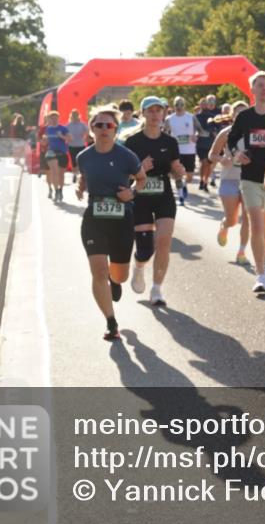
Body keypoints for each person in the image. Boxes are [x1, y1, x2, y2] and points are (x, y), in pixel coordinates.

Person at [75, 106, 144, 341]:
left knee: (120, 275)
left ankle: (116, 282)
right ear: (92, 129)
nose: (104, 129)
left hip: (121, 219)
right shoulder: (83, 156)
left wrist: (132, 193)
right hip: (94, 219)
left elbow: (142, 179)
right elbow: (84, 175)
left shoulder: (126, 156)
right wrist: (80, 186)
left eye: (109, 125)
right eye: (99, 125)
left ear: (115, 129)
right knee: (98, 271)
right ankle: (111, 321)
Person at [125, 96, 186, 306]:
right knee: (145, 249)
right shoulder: (133, 142)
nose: (154, 115)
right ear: (143, 113)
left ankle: (157, 289)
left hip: (163, 195)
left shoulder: (170, 142)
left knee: (164, 241)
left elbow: (175, 170)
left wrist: (179, 173)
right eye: (150, 111)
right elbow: (125, 175)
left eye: (158, 111)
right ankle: (139, 266)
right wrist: (140, 169)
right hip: (140, 195)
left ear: (163, 114)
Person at [228, 72, 265, 294]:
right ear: (252, 89)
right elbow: (231, 139)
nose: (264, 89)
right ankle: (260, 273)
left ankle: (263, 265)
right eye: (260, 85)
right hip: (249, 177)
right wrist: (237, 153)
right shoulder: (245, 117)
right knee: (257, 225)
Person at [210, 103, 251, 265]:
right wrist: (222, 159)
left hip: (249, 180)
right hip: (229, 179)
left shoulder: (255, 133)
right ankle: (225, 225)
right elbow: (212, 154)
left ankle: (241, 252)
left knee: (247, 218)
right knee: (233, 219)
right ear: (233, 115)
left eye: (244, 113)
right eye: (238, 113)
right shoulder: (226, 133)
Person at [164, 96, 201, 205]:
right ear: (174, 106)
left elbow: (199, 130)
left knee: (189, 176)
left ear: (184, 105)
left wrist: (196, 136)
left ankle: (185, 184)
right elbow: (164, 133)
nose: (179, 107)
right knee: (177, 174)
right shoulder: (169, 119)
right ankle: (181, 196)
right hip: (176, 151)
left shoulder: (191, 117)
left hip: (189, 150)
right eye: (176, 105)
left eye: (181, 104)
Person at [41, 111, 71, 201]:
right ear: (49, 119)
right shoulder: (47, 129)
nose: (54, 120)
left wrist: (62, 136)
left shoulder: (63, 128)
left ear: (58, 119)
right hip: (51, 152)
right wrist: (44, 140)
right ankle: (56, 190)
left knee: (61, 174)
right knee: (54, 171)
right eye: (52, 118)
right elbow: (44, 142)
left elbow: (70, 139)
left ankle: (60, 190)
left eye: (55, 118)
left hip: (62, 152)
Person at [196, 95, 221, 192]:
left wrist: (214, 131)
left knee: (208, 165)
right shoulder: (196, 116)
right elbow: (194, 128)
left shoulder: (212, 117)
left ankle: (205, 182)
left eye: (205, 104)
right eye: (202, 104)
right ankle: (202, 180)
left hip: (210, 143)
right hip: (200, 143)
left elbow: (218, 127)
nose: (204, 105)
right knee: (204, 162)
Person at [67, 110, 90, 185]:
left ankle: (82, 176)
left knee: (81, 161)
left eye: (76, 115)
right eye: (73, 115)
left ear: (78, 116)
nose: (74, 117)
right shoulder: (68, 125)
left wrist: (84, 134)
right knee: (74, 161)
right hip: (72, 145)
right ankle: (74, 175)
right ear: (71, 116)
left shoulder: (82, 124)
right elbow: (64, 132)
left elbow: (88, 130)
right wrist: (68, 137)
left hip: (81, 145)